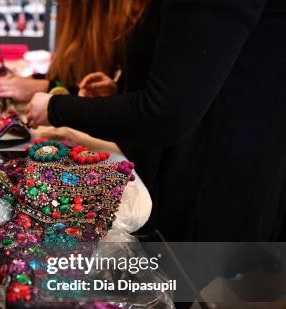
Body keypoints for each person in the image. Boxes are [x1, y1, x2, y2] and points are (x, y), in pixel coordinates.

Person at [27, 0, 286, 242]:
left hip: (207, 204)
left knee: (175, 287)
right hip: (192, 186)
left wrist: (55, 107)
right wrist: (121, 93)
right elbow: (194, 81)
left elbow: (165, 114)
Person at [0, 0, 148, 102]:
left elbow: (129, 106)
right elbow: (70, 81)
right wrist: (35, 82)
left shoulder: (135, 23)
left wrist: (45, 88)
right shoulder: (74, 15)